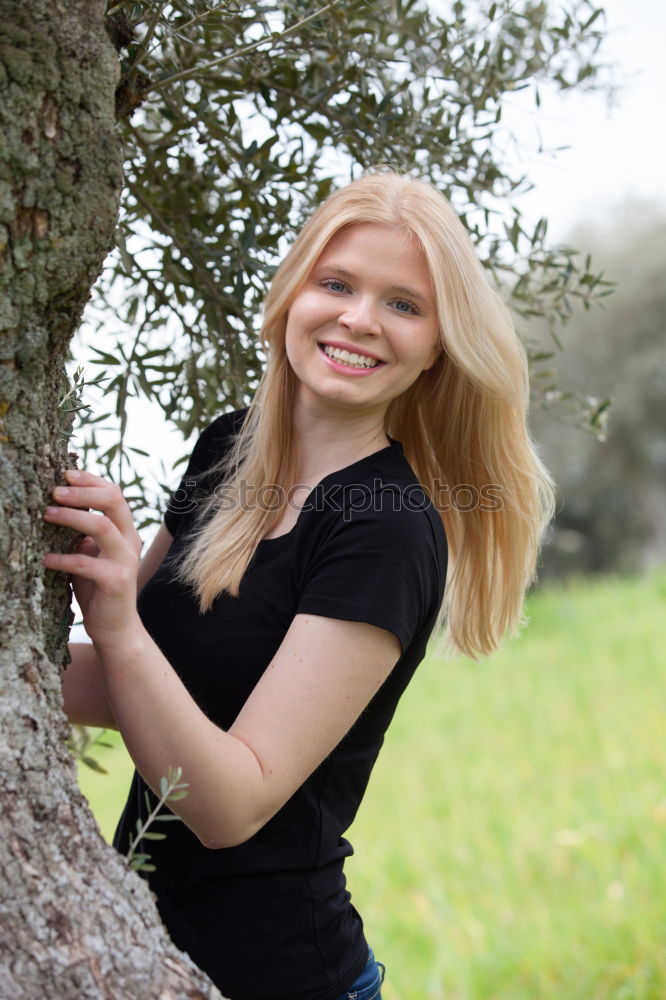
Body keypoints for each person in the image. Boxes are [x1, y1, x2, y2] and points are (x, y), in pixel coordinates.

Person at [44, 171, 554, 1000]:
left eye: (404, 304)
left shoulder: (386, 527)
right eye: (338, 283)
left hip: (280, 975)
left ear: (436, 346)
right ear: (293, 296)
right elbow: (132, 685)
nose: (359, 319)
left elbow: (228, 805)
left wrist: (118, 622)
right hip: (139, 953)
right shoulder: (225, 450)